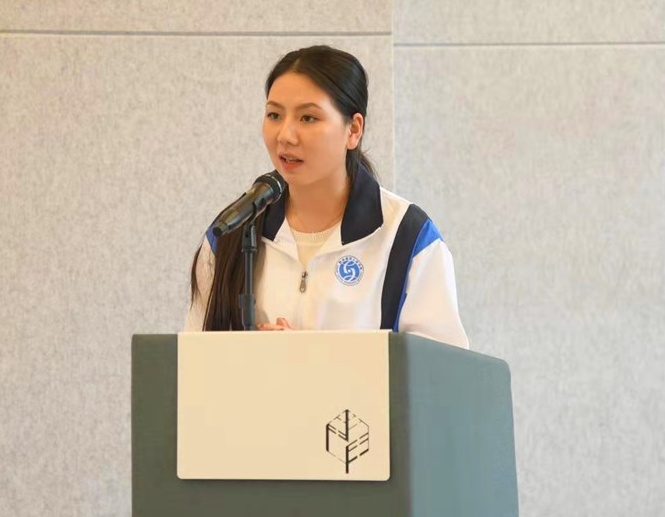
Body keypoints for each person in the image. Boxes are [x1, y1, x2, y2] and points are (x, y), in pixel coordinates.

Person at [186, 45, 468, 348]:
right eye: (274, 115)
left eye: (308, 118)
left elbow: (440, 371)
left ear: (353, 130)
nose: (285, 135)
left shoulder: (407, 237)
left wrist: (311, 357)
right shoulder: (232, 231)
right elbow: (194, 362)